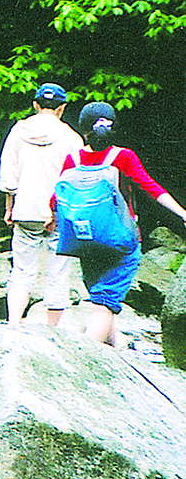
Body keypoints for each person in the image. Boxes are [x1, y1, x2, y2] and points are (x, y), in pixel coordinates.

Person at [55, 102, 186, 347]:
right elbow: (150, 187)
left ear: (84, 129)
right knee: (105, 304)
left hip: (85, 241)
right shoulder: (122, 157)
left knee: (101, 297)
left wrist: (51, 220)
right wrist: (182, 213)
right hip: (120, 240)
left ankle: (117, 345)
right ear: (113, 126)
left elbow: (57, 199)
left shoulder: (73, 158)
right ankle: (87, 354)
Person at [0, 82, 83, 326]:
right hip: (60, 213)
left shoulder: (18, 131)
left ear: (35, 105)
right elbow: (77, 179)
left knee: (21, 270)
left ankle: (13, 323)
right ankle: (52, 330)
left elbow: (8, 174)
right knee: (59, 271)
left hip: (25, 209)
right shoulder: (71, 137)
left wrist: (9, 207)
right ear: (62, 108)